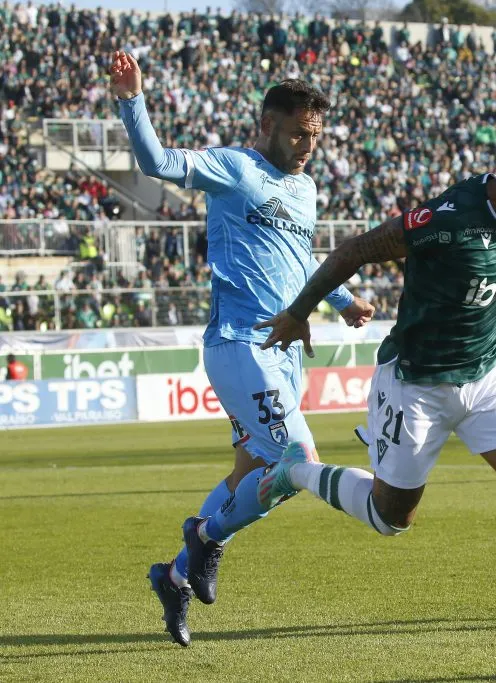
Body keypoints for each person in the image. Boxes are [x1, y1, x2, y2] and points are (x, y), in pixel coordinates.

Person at [254, 121, 496, 673]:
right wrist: (300, 311)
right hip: (417, 383)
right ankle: (297, 472)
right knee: (390, 517)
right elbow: (354, 249)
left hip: (487, 375)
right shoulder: (445, 222)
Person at [109, 49, 374, 647]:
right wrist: (132, 100)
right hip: (239, 344)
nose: (309, 145)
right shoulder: (234, 168)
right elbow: (155, 161)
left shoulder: (304, 188)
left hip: (284, 352)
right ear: (267, 126)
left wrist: (343, 299)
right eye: (299, 133)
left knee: (255, 469)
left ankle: (176, 574)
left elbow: (301, 256)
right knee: (295, 460)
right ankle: (203, 540)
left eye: (316, 135)